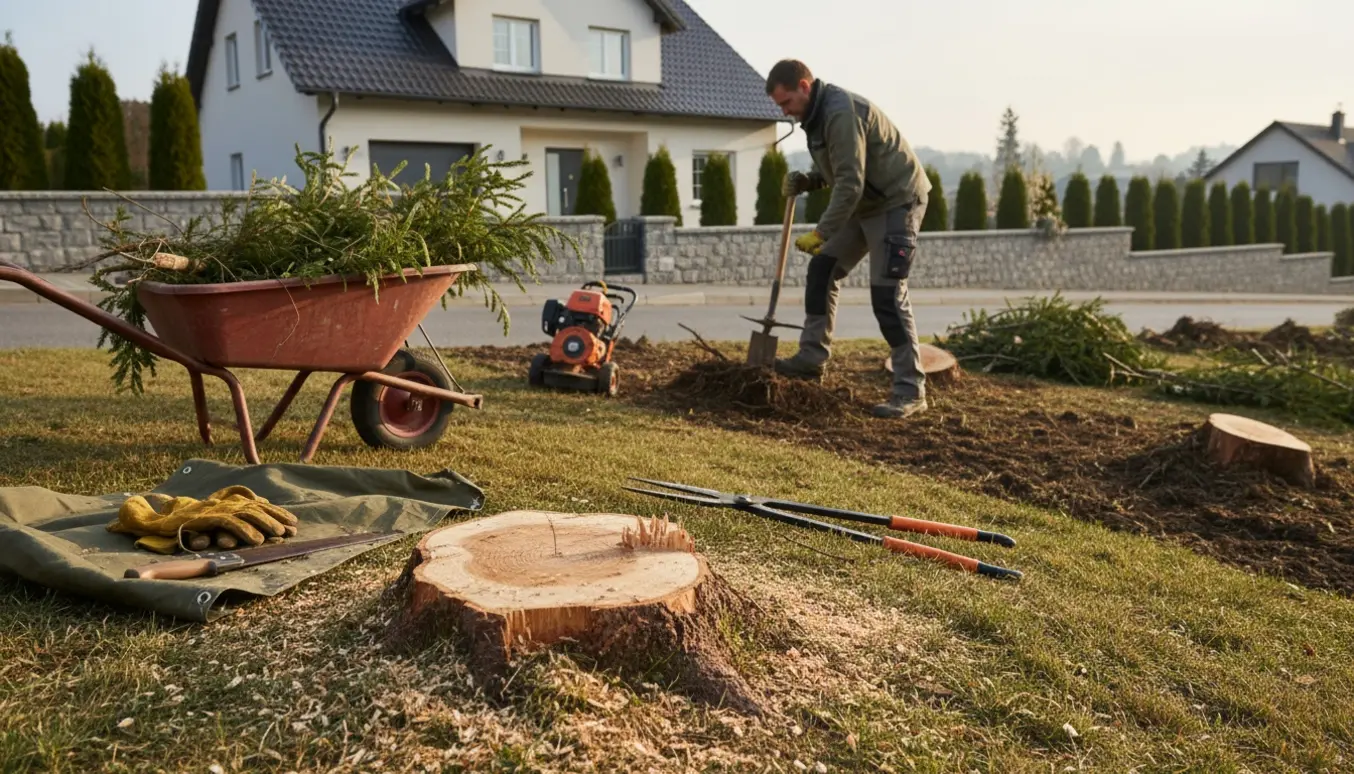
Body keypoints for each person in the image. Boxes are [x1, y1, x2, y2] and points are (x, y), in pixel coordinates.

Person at [765, 59, 932, 419]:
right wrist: (810, 180)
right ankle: (811, 359)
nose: (786, 112)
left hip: (897, 201)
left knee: (888, 294)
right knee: (822, 271)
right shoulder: (815, 118)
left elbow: (851, 183)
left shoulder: (840, 112)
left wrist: (822, 232)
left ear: (805, 86)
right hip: (866, 205)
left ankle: (910, 389)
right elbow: (842, 169)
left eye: (786, 103)